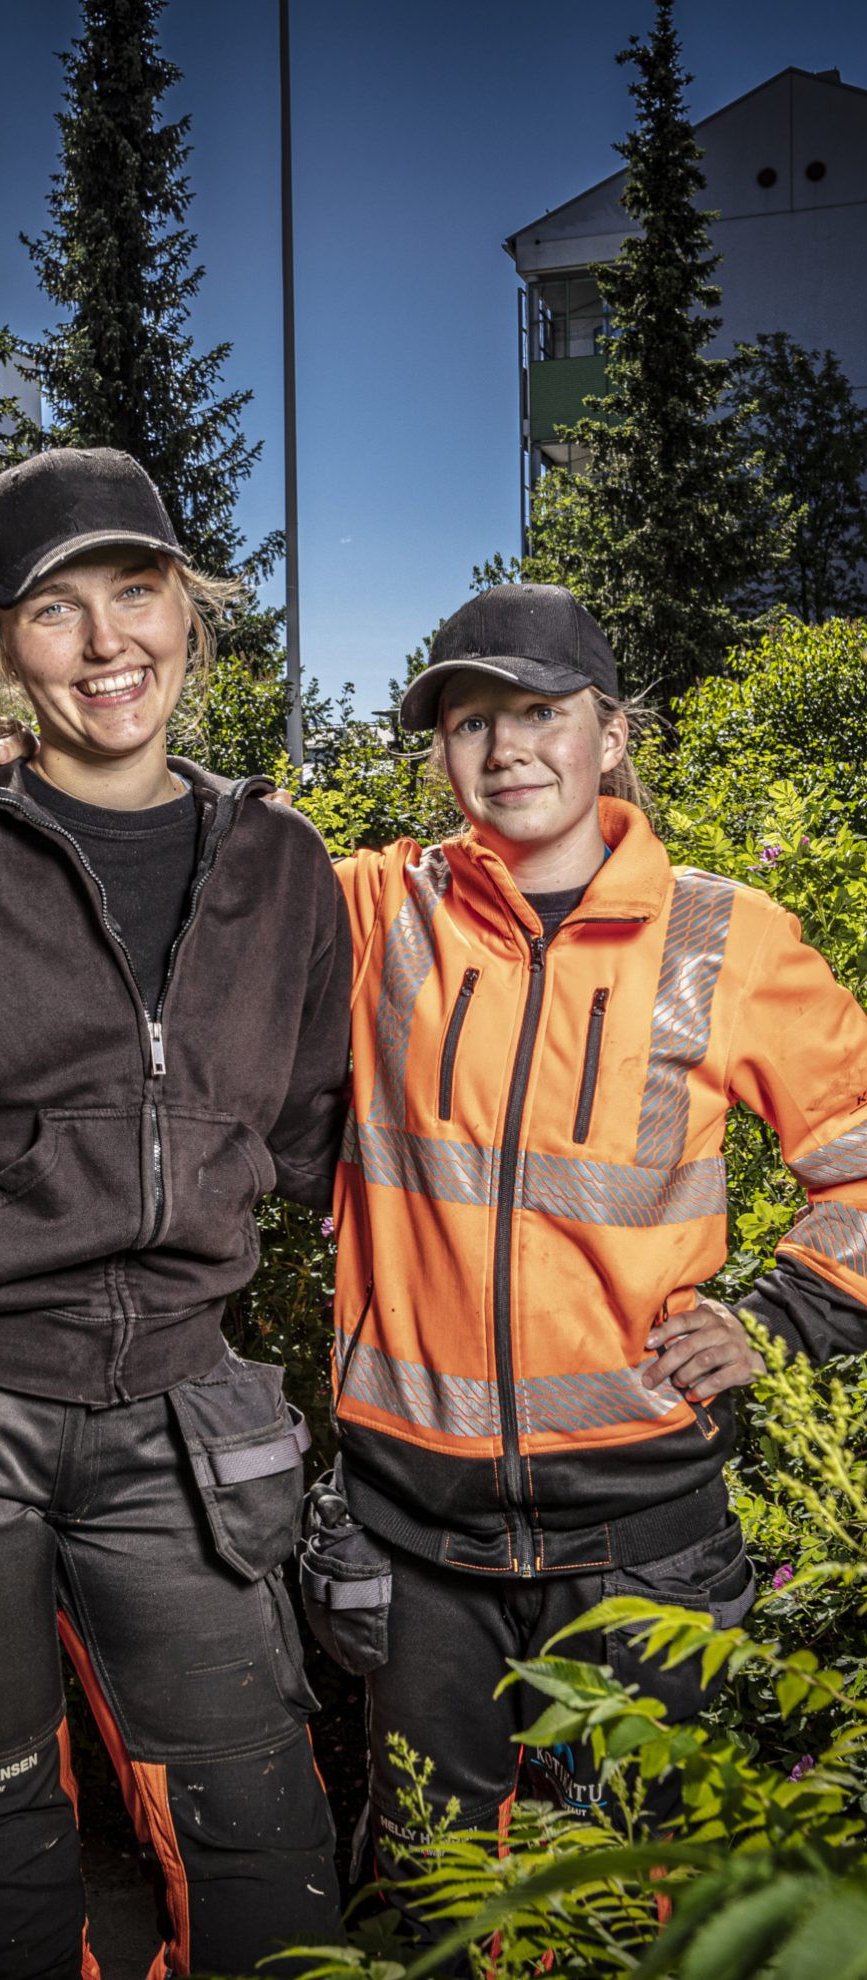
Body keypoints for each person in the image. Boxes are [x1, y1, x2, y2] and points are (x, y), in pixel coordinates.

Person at [0, 446, 350, 1979]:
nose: (108, 640)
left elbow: (325, 1136)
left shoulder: (281, 862)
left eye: (140, 593)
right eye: (56, 611)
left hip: (182, 1410)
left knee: (259, 1810)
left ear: (192, 613)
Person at [319, 583, 867, 1932]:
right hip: (415, 1528)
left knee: (656, 1896)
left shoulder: (723, 936)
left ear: (612, 734)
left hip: (645, 1534)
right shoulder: (378, 911)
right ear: (441, 754)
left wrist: (786, 1316)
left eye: (540, 712)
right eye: (468, 720)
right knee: (433, 1895)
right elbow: (177, 854)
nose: (506, 747)